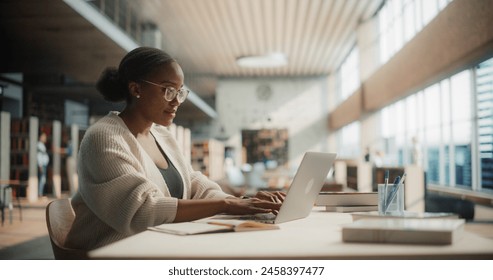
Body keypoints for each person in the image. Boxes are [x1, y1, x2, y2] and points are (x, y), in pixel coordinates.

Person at [65, 47, 285, 251]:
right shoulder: (104, 137)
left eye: (180, 92)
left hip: (156, 245)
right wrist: (227, 204)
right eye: (168, 90)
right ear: (136, 89)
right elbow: (142, 211)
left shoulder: (161, 134)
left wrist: (243, 202)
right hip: (110, 256)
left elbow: (194, 183)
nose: (177, 101)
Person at [37, 131, 49, 197]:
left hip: (44, 165)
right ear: (40, 137)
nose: (45, 138)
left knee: (43, 179)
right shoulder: (39, 145)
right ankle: (40, 194)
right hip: (42, 165)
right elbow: (39, 156)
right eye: (43, 136)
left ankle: (40, 193)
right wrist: (40, 165)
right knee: (42, 179)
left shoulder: (42, 145)